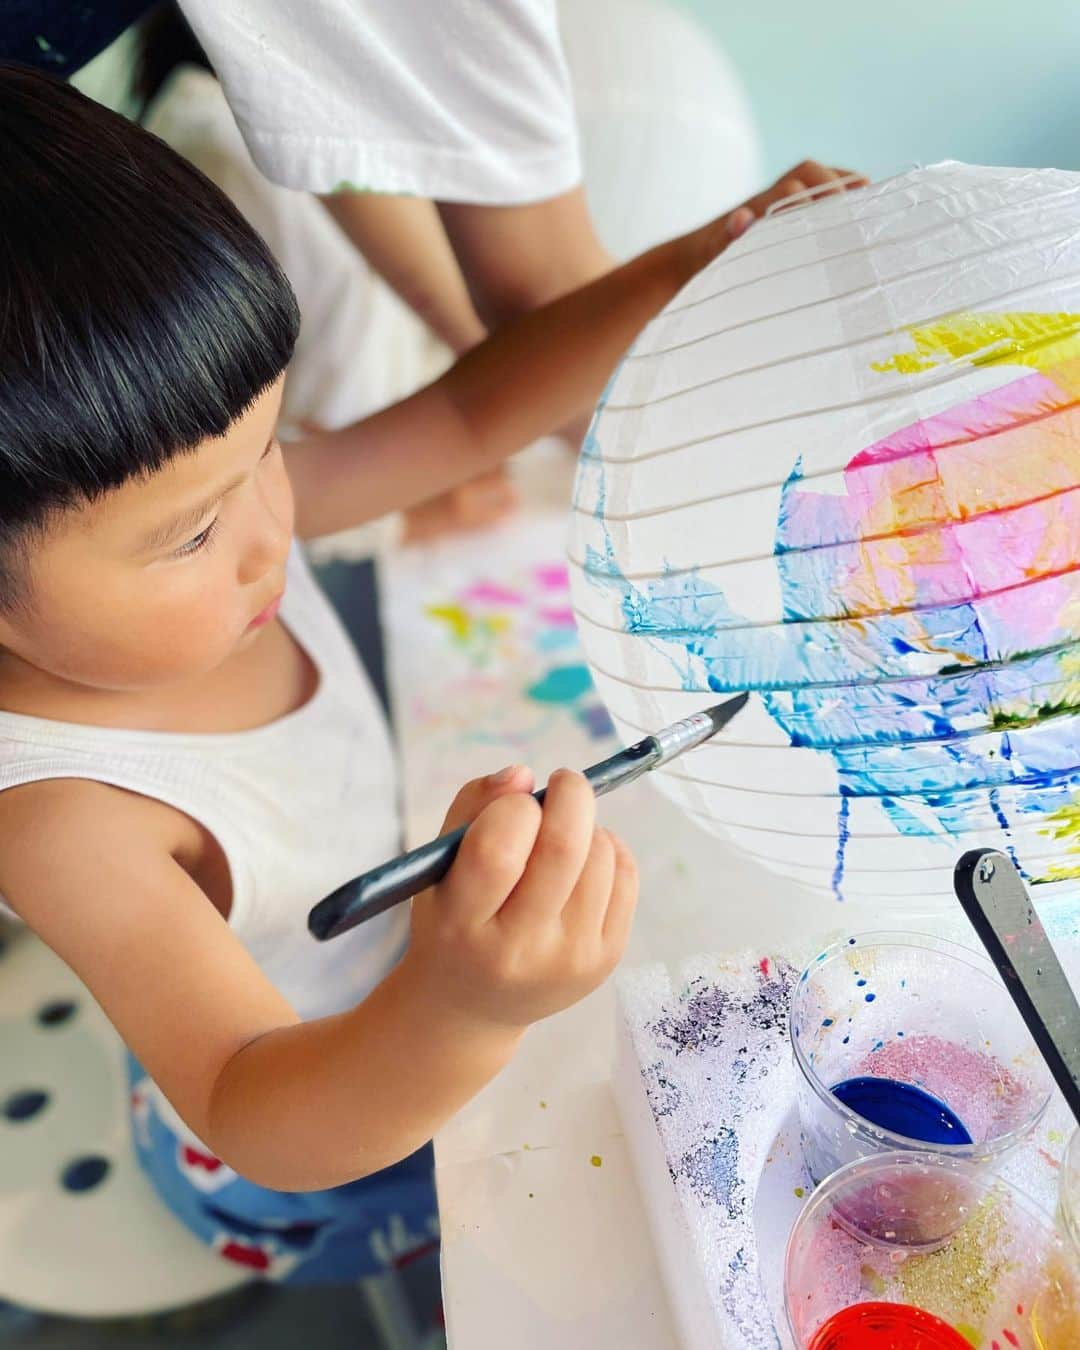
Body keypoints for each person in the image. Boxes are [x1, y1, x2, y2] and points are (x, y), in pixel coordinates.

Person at [0, 64, 864, 1282]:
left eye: (269, 450)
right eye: (193, 531)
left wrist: (690, 264)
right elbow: (254, 1106)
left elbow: (466, 417)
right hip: (316, 1155)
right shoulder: (63, 817)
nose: (269, 530)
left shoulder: (195, 508)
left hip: (424, 1013)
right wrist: (459, 1008)